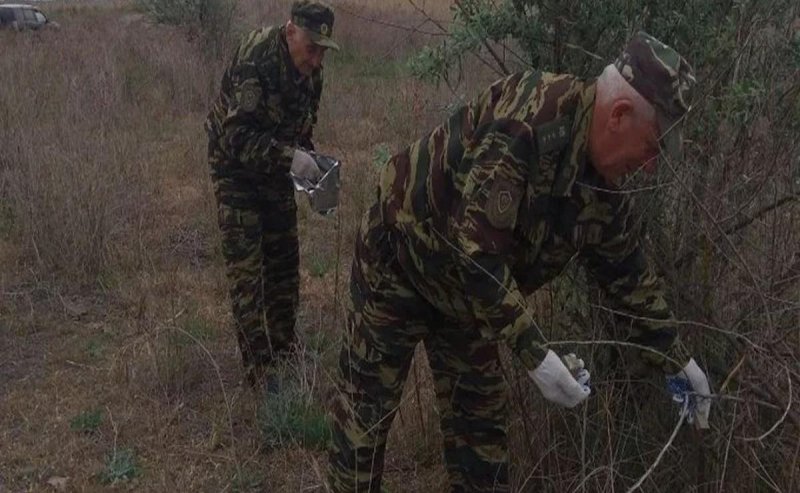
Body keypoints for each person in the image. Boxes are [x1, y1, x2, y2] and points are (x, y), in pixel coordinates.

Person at [327, 32, 712, 492]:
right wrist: (537, 356)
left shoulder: (603, 182)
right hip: (401, 260)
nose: (650, 165)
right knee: (365, 416)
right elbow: (477, 252)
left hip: (471, 301)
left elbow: (625, 274)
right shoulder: (531, 120)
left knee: (481, 437)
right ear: (620, 115)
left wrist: (676, 359)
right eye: (651, 147)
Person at [204, 1, 339, 388]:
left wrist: (313, 169)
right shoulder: (256, 58)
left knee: (283, 258)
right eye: (311, 48)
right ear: (290, 30)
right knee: (248, 271)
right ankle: (260, 370)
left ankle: (285, 346)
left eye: (323, 51)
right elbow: (235, 136)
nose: (316, 59)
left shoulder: (313, 73)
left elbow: (300, 130)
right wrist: (290, 158)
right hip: (234, 169)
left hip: (275, 169)